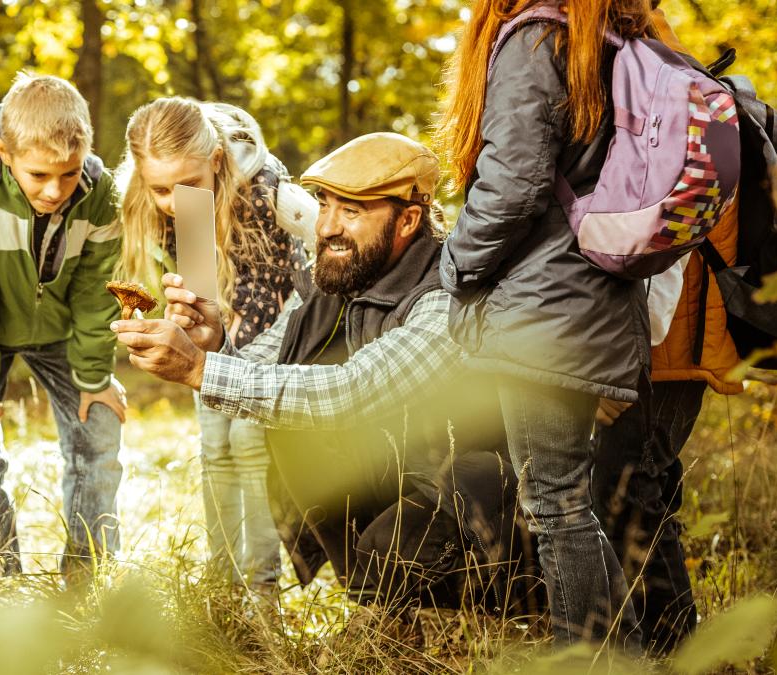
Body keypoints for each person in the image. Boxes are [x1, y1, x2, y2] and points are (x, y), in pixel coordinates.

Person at [113, 133, 532, 612]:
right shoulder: (339, 275)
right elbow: (268, 369)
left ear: (408, 220)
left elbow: (353, 390)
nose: (327, 226)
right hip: (399, 471)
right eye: (324, 204)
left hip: (482, 493)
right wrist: (215, 344)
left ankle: (478, 611)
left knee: (389, 549)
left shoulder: (445, 296)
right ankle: (389, 603)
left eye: (350, 211)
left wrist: (198, 368)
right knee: (293, 432)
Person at [436, 0, 658, 646]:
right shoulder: (605, 39)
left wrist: (453, 265)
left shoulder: (537, 41)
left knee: (556, 506)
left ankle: (592, 660)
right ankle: (624, 656)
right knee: (566, 501)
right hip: (592, 298)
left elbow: (512, 184)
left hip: (547, 310)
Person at [591, 3, 744, 654]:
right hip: (667, 339)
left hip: (662, 343)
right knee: (638, 490)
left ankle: (681, 654)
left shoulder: (644, 79)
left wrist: (616, 367)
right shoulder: (650, 65)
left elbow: (662, 242)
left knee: (630, 492)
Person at [116, 97, 316, 590]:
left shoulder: (268, 191)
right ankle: (223, 587)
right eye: (160, 188)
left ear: (217, 160)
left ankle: (263, 589)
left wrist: (239, 359)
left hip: (282, 330)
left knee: (248, 442)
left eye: (186, 185)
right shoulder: (179, 201)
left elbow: (308, 284)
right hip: (219, 335)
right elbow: (205, 288)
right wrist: (188, 316)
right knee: (214, 446)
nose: (172, 200)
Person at [0, 72, 124, 583]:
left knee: (100, 430)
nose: (55, 190)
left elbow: (96, 292)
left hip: (63, 329)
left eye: (69, 173)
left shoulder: (102, 194)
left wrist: (94, 376)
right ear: (4, 152)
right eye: (38, 175)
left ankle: (89, 574)